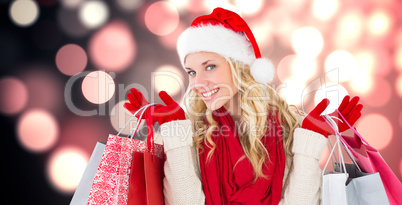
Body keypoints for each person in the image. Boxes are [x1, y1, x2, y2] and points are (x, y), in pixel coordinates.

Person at [124, 7, 363, 205]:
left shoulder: (290, 124)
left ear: (240, 66)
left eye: (210, 67)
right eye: (192, 72)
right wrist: (175, 131)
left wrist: (311, 140)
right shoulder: (191, 129)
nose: (198, 82)